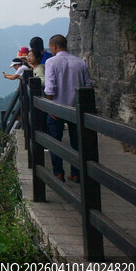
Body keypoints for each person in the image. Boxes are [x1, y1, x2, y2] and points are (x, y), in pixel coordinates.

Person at [43, 34, 92, 183]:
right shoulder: (80, 62)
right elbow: (88, 85)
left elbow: (50, 89)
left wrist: (50, 107)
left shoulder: (51, 62)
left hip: (57, 109)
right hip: (76, 109)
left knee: (55, 142)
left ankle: (58, 173)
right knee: (77, 143)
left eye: (51, 47)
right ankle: (76, 173)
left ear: (54, 46)